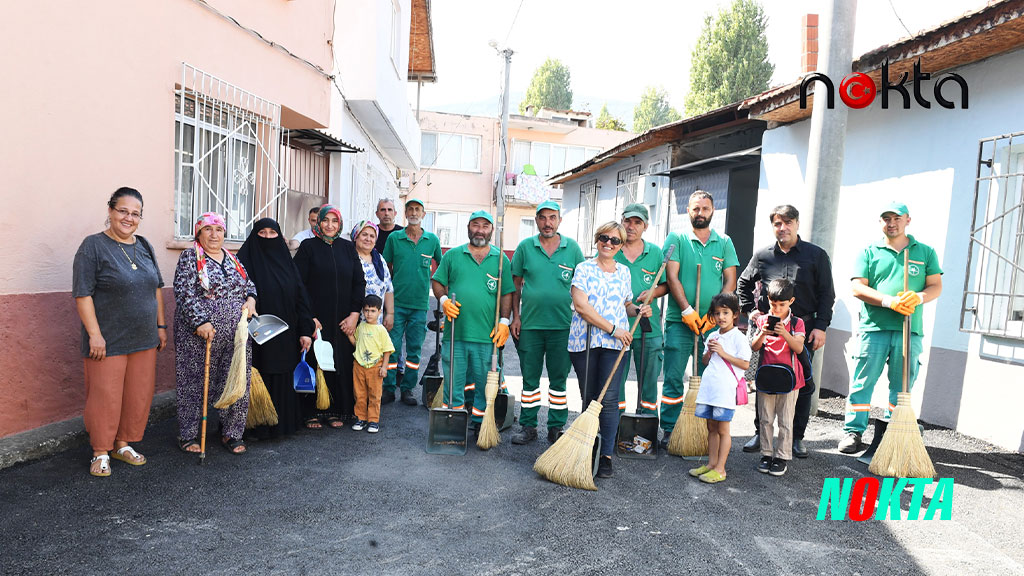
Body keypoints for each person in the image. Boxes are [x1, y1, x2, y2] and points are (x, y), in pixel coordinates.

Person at [73, 187, 167, 477]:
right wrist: (94, 334)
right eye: (123, 211)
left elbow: (156, 289)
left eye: (135, 213)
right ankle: (100, 451)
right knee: (105, 396)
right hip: (107, 338)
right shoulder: (93, 246)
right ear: (111, 211)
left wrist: (160, 326)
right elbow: (83, 294)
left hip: (144, 337)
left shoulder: (145, 245)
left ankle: (123, 444)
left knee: (137, 395)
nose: (129, 218)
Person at [839, 202, 942, 453]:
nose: (891, 222)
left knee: (902, 387)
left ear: (908, 220)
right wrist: (889, 301)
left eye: (897, 218)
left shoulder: (925, 252)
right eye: (886, 218)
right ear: (880, 222)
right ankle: (853, 432)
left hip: (909, 329)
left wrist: (917, 297)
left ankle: (892, 433)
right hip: (874, 327)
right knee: (863, 382)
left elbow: (935, 286)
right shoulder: (869, 252)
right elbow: (857, 287)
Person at [737, 204, 835, 458]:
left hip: (802, 330)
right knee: (766, 381)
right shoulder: (763, 255)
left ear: (797, 224)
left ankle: (796, 438)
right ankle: (761, 433)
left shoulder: (816, 255)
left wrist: (821, 327)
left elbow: (827, 294)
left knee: (802, 384)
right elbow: (743, 283)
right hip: (768, 330)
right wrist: (751, 312)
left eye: (788, 222)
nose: (783, 228)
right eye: (778, 224)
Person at [567, 222, 651, 479]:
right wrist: (612, 328)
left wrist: (637, 311)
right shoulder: (583, 268)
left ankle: (605, 457)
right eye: (604, 238)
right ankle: (587, 448)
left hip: (616, 345)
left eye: (615, 240)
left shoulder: (624, 272)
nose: (609, 243)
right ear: (597, 239)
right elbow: (582, 307)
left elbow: (625, 303)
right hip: (585, 341)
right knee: (589, 396)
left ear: (621, 245)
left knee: (610, 400)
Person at [173, 212, 257, 455]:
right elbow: (184, 292)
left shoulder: (233, 259)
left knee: (234, 380)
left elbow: (249, 285)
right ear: (198, 233)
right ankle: (188, 434)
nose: (214, 234)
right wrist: (200, 321)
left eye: (218, 230)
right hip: (200, 335)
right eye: (208, 229)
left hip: (236, 335)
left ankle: (231, 432)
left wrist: (251, 300)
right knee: (194, 382)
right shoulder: (190, 257)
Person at [660, 191, 739, 448]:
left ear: (713, 211)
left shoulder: (724, 242)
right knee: (673, 378)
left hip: (713, 326)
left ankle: (705, 432)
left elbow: (730, 280)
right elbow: (672, 277)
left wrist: (715, 316)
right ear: (688, 211)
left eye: (705, 208)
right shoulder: (678, 239)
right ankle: (670, 429)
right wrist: (687, 311)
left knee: (709, 379)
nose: (700, 213)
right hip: (679, 322)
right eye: (695, 208)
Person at [431, 211, 514, 435]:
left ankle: (479, 424)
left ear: (491, 231)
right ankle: (453, 424)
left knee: (484, 384)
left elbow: (506, 293)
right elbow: (437, 281)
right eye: (475, 225)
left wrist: (504, 321)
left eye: (485, 226)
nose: (480, 230)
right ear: (468, 228)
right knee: (452, 382)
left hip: (487, 335)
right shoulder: (453, 256)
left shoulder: (500, 259)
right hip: (456, 333)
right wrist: (444, 300)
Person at [509, 200, 585, 445]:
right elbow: (515, 286)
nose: (547, 222)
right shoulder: (525, 247)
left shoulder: (572, 249)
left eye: (552, 217)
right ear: (537, 221)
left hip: (563, 327)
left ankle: (556, 427)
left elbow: (583, 286)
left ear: (560, 220)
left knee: (558, 381)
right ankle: (528, 426)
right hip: (530, 326)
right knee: (529, 380)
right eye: (543, 218)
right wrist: (516, 317)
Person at [236, 218, 314, 439]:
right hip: (255, 336)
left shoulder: (288, 263)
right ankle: (253, 426)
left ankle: (282, 424)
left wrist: (305, 331)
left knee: (282, 374)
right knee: (258, 375)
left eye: (273, 233)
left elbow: (301, 299)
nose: (268, 237)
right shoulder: (243, 262)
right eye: (263, 233)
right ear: (254, 236)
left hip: (286, 334)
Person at [294, 205, 366, 429]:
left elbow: (359, 282)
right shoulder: (308, 248)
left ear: (340, 224)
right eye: (326, 220)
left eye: (335, 221)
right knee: (316, 362)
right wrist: (309, 317)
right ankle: (311, 412)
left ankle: (337, 411)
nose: (330, 225)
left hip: (344, 321)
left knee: (340, 363)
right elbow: (298, 285)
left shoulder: (347, 248)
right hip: (317, 320)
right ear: (318, 223)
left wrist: (355, 314)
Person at [381, 198, 443, 406]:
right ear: (405, 213)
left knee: (414, 350)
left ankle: (408, 389)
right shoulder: (394, 238)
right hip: (396, 304)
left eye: (418, 210)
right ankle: (389, 388)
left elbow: (442, 268)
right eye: (411, 209)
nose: (414, 212)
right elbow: (385, 267)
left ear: (423, 214)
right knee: (392, 347)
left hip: (419, 305)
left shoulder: (432, 240)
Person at [688, 292, 750, 484]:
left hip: (725, 390)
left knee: (723, 429)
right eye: (717, 313)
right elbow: (706, 361)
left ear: (735, 314)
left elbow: (745, 364)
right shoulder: (712, 335)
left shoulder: (738, 338)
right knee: (711, 427)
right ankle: (711, 464)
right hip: (709, 389)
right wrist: (709, 351)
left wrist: (723, 353)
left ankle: (721, 469)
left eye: (725, 312)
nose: (721, 317)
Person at [614, 203, 668, 417]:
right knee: (615, 381)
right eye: (627, 221)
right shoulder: (612, 248)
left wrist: (652, 292)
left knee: (648, 383)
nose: (631, 226)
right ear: (621, 221)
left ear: (645, 226)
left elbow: (666, 284)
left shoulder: (655, 253)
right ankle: (615, 426)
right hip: (617, 329)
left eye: (637, 222)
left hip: (649, 329)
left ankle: (644, 427)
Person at [750, 279, 806, 477]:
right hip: (766, 377)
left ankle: (782, 456)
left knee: (785, 420)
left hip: (790, 381)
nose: (777, 308)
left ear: (791, 301)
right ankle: (766, 454)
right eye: (774, 304)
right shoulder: (762, 320)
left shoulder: (797, 323)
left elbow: (798, 348)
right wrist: (763, 333)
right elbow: (754, 346)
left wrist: (785, 333)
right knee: (765, 419)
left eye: (782, 305)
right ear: (768, 300)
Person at [347, 294, 395, 434]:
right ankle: (361, 418)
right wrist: (349, 335)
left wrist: (384, 367)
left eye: (373, 310)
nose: (369, 313)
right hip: (359, 366)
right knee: (359, 394)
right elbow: (357, 344)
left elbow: (387, 350)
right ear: (363, 311)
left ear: (379, 312)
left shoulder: (381, 330)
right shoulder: (361, 326)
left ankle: (373, 421)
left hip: (375, 367)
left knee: (374, 395)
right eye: (366, 310)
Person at [352, 220, 395, 328]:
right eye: (364, 234)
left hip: (375, 322)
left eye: (372, 236)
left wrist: (390, 313)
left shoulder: (379, 259)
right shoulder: (349, 257)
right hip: (353, 320)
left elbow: (388, 288)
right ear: (356, 236)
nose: (368, 239)